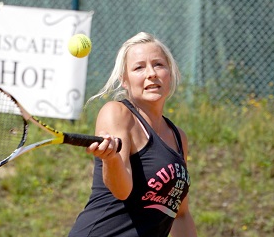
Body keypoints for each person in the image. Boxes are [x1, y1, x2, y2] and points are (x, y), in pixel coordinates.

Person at [68, 32, 197, 237]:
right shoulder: (117, 113)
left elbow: (181, 213)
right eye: (139, 67)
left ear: (169, 73)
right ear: (125, 81)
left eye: (158, 65)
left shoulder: (179, 137)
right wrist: (111, 159)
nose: (151, 73)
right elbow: (122, 191)